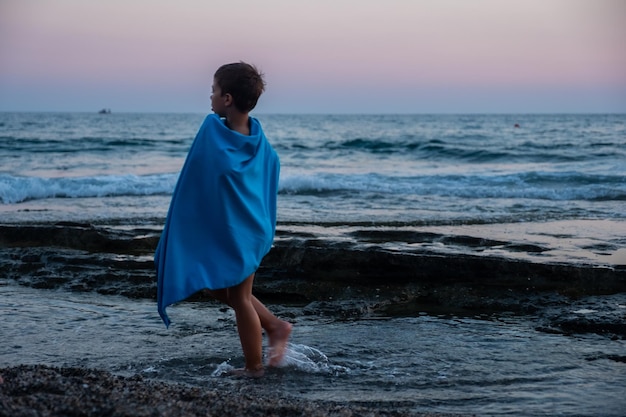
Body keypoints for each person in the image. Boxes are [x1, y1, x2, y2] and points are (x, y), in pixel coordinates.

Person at [155, 62, 292, 378]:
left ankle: (254, 367)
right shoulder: (260, 141)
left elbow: (202, 175)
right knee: (217, 287)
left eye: (214, 90)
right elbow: (202, 181)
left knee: (240, 297)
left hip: (243, 233)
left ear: (227, 98)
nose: (210, 96)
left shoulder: (214, 133)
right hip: (237, 230)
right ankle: (274, 325)